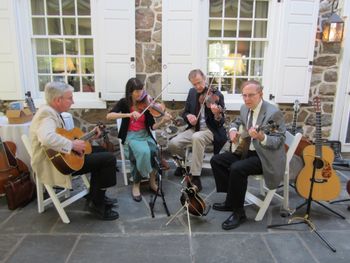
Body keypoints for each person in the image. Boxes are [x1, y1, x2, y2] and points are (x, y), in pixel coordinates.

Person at [30, 82, 119, 221]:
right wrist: (71, 145)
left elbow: (65, 138)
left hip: (61, 157)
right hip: (54, 164)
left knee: (100, 151)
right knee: (108, 159)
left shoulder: (53, 112)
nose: (73, 101)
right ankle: (97, 204)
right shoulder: (46, 114)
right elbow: (46, 138)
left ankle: (95, 195)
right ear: (58, 100)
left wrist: (90, 135)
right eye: (69, 98)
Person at [210, 80, 286, 230]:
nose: (247, 99)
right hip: (247, 151)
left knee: (237, 168)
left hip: (265, 157)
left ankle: (239, 213)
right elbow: (237, 121)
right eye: (244, 95)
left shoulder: (273, 113)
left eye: (251, 95)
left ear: (261, 94)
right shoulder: (245, 108)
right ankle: (231, 201)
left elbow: (279, 140)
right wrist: (232, 130)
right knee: (217, 160)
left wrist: (261, 137)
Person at [106, 78, 171, 202]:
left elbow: (152, 127)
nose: (140, 94)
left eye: (141, 90)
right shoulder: (124, 103)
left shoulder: (146, 104)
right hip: (130, 136)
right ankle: (136, 184)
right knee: (141, 152)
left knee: (154, 150)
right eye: (137, 91)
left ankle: (152, 182)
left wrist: (163, 121)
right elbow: (109, 116)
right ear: (130, 92)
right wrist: (128, 115)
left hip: (145, 135)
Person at [167, 69, 227, 191]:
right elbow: (185, 112)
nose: (198, 86)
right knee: (173, 144)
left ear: (205, 79)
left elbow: (221, 122)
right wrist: (188, 116)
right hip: (195, 128)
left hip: (211, 130)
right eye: (194, 84)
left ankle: (195, 176)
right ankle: (185, 165)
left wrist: (217, 114)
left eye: (199, 82)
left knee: (197, 137)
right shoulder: (192, 93)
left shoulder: (217, 95)